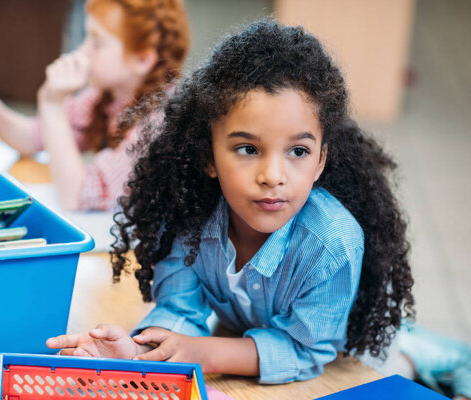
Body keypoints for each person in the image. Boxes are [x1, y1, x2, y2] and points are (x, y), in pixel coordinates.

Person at [46, 20, 415, 383]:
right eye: (248, 148)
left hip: (349, 357)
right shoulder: (187, 215)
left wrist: (206, 352)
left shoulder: (333, 242)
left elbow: (305, 350)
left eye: (298, 151)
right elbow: (179, 310)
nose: (272, 175)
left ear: (320, 160)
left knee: (403, 369)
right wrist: (137, 352)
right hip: (245, 331)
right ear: (209, 156)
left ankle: (423, 358)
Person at [0, 0, 190, 211]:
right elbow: (32, 138)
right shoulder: (106, 95)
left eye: (97, 42)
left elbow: (78, 195)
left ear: (142, 59)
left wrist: (53, 105)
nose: (82, 50)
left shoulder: (160, 120)